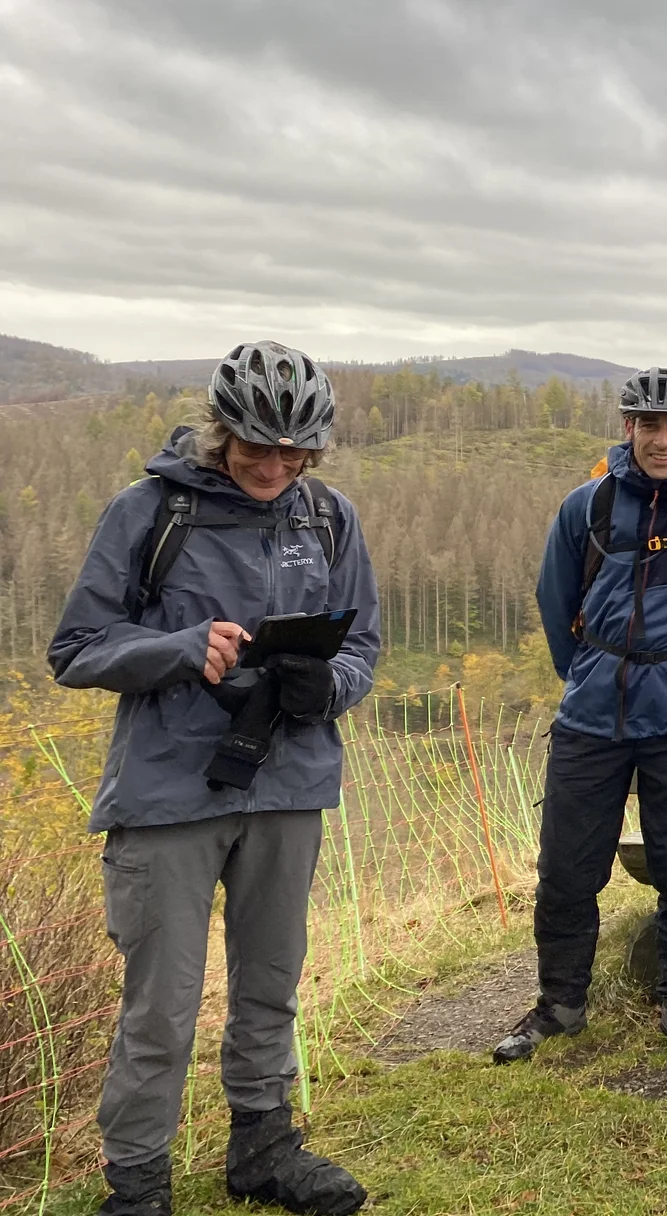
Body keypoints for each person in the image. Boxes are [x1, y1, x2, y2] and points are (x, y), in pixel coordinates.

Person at [48, 342, 379, 1216]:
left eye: (292, 450)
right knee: (160, 1008)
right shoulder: (150, 512)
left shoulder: (329, 518)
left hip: (291, 784)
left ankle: (264, 1151)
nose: (272, 466)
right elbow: (77, 651)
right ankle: (138, 1186)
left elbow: (364, 648)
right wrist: (179, 650)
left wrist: (329, 684)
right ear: (220, 432)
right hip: (171, 794)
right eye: (254, 446)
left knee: (272, 982)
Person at [495, 369, 667, 1073]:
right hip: (592, 715)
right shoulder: (587, 507)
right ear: (628, 429)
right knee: (566, 868)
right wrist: (587, 672)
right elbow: (557, 605)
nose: (663, 440)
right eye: (650, 426)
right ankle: (559, 1003)